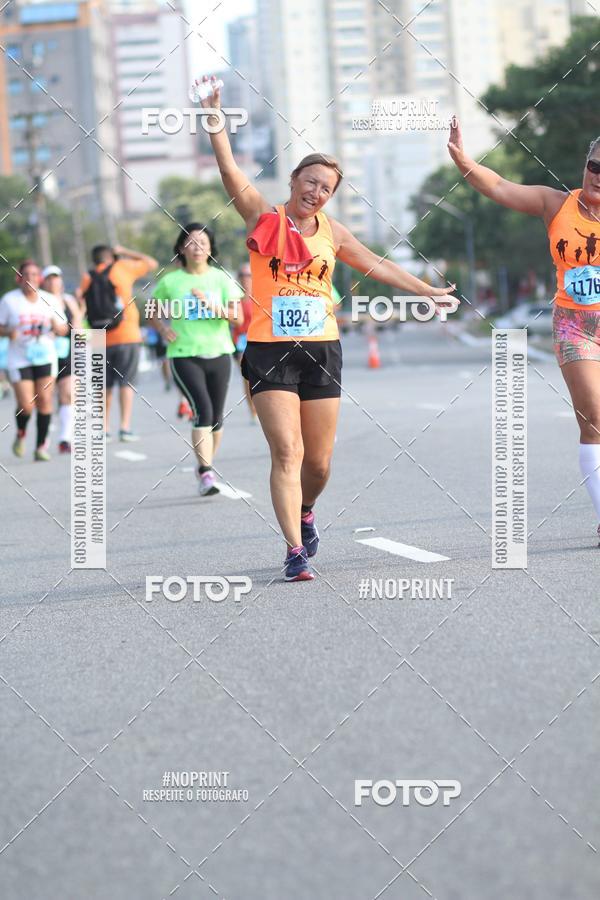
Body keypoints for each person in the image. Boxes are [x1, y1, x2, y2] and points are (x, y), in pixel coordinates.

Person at [200, 75, 456, 580]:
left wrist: (425, 290)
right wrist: (215, 121)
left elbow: (378, 265)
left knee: (318, 464)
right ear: (293, 180)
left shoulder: (333, 233)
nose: (316, 192)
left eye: (326, 188)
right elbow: (229, 169)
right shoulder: (263, 217)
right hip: (269, 349)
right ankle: (294, 551)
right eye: (310, 182)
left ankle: (305, 509)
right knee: (287, 450)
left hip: (320, 348)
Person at [448, 120, 600, 545]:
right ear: (585, 164)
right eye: (595, 165)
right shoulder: (556, 204)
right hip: (576, 326)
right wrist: (463, 160)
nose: (598, 176)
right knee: (594, 417)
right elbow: (498, 185)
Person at [150, 223, 243, 495]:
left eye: (203, 242)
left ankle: (207, 465)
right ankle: (206, 472)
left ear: (211, 248)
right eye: (191, 242)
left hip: (220, 351)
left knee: (216, 417)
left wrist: (211, 305)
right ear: (181, 248)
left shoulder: (221, 279)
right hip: (184, 354)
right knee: (201, 408)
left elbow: (237, 317)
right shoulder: (171, 281)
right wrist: (163, 328)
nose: (198, 247)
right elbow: (152, 311)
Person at [79, 244, 158, 442]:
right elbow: (151, 263)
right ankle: (124, 427)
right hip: (126, 334)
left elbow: (80, 303)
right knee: (126, 382)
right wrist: (125, 251)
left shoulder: (88, 277)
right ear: (111, 257)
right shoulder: (121, 268)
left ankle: (104, 429)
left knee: (103, 385)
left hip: (98, 335)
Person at [0, 260, 68, 460]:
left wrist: (57, 326)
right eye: (26, 275)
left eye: (34, 274)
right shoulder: (9, 300)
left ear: (39, 278)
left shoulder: (50, 300)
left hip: (45, 356)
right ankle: (21, 433)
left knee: (45, 400)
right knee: (26, 404)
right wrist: (8, 331)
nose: (30, 278)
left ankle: (40, 447)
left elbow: (64, 328)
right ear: (19, 278)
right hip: (19, 359)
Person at [41, 265, 82, 453]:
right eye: (49, 278)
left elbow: (78, 326)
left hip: (66, 352)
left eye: (56, 277)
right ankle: (43, 438)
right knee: (45, 398)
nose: (53, 281)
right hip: (42, 353)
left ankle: (65, 439)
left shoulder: (68, 300)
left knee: (68, 393)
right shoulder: (39, 301)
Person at [231, 262, 257, 419]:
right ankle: (253, 410)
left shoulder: (261, 296)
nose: (246, 279)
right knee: (248, 378)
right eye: (243, 275)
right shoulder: (234, 298)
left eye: (249, 275)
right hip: (241, 341)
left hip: (260, 339)